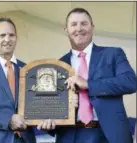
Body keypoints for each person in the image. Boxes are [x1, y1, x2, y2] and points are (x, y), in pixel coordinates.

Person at [38, 8, 137, 143]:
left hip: (108, 135)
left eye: (84, 23)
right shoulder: (58, 65)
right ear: (66, 30)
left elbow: (130, 82)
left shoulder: (113, 54)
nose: (79, 28)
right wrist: (49, 124)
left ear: (92, 27)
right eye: (73, 24)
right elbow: (54, 106)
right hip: (70, 136)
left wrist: (88, 84)